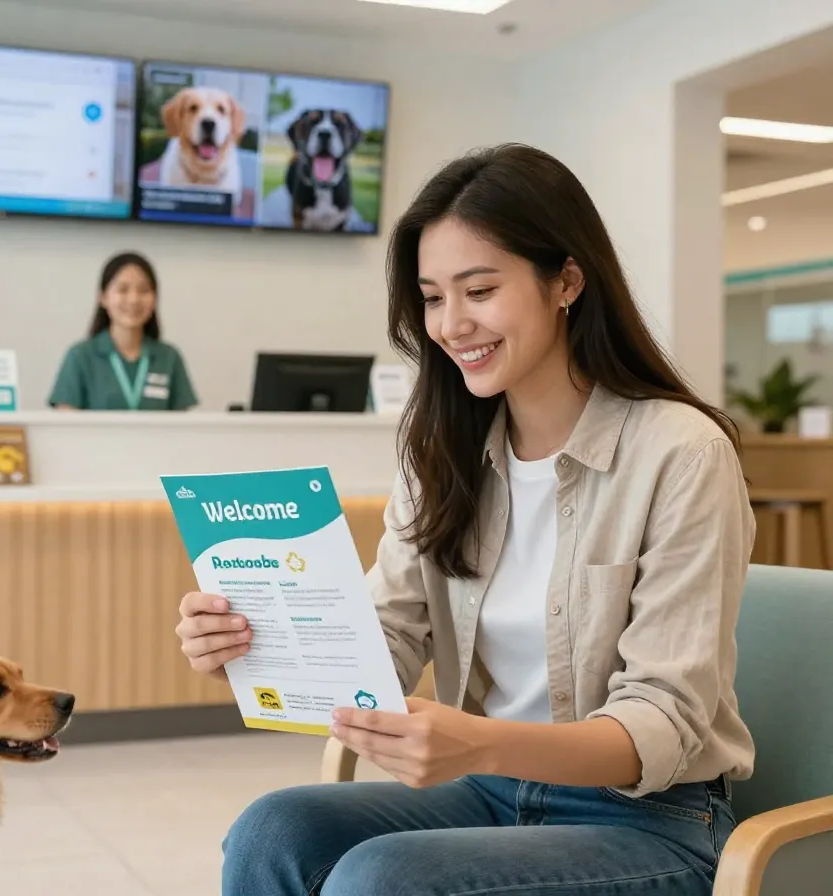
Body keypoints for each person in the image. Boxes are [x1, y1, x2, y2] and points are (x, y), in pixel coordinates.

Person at [174, 144, 756, 895]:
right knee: (274, 829)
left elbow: (664, 724)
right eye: (432, 296)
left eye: (479, 289)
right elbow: (382, 637)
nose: (451, 325)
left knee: (382, 878)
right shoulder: (442, 452)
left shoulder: (681, 453)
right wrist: (260, 645)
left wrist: (478, 743)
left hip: (650, 820)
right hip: (493, 792)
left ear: (567, 282)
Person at [48, 252, 198, 411]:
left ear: (154, 299)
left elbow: (183, 428)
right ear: (103, 297)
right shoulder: (80, 356)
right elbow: (66, 427)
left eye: (143, 290)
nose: (134, 299)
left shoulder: (169, 357)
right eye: (123, 289)